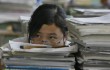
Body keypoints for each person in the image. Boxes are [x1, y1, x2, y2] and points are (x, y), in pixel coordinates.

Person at [28, 4, 84, 70]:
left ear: (65, 36)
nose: (43, 43)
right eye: (37, 35)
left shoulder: (77, 60)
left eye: (51, 37)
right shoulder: (16, 55)